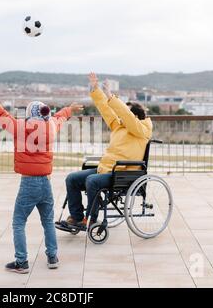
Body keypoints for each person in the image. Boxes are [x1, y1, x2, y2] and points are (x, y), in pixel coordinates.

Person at [0, 78, 83, 274]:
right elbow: (59, 117)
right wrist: (69, 109)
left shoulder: (20, 127)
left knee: (19, 222)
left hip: (28, 183)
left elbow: (1, 114)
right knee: (47, 221)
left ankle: (22, 262)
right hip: (46, 182)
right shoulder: (51, 127)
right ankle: (52, 257)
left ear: (29, 114)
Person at [62, 72, 153, 229]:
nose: (120, 115)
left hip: (123, 174)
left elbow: (127, 115)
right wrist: (95, 89)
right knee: (72, 179)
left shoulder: (142, 129)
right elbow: (106, 109)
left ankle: (90, 219)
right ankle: (76, 217)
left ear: (135, 115)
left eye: (125, 113)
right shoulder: (119, 126)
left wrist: (111, 95)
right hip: (107, 169)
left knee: (92, 181)